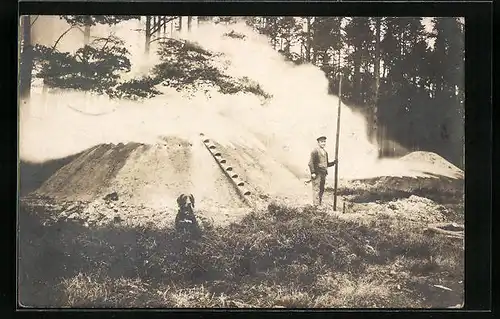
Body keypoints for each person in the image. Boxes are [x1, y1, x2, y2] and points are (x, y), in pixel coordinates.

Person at [308, 136, 337, 207]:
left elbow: (326, 164)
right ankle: (316, 206)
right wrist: (313, 172)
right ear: (318, 143)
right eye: (322, 142)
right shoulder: (315, 151)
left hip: (323, 173)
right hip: (317, 173)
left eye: (324, 141)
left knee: (321, 189)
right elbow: (310, 163)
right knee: (316, 189)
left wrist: (333, 163)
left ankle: (319, 204)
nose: (323, 143)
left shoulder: (325, 152)